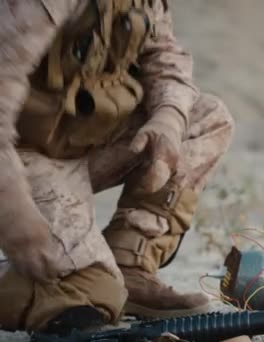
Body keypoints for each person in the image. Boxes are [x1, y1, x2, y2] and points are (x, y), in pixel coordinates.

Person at [0, 0, 244, 338]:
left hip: (87, 141)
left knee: (205, 118)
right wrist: (14, 215)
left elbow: (165, 55)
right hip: (24, 160)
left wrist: (168, 119)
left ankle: (131, 266)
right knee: (88, 301)